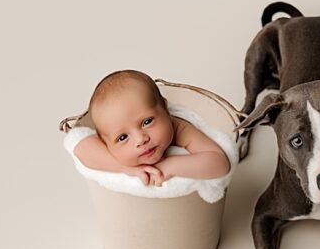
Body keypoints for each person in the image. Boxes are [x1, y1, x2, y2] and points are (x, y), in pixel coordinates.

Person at [73, 70, 230, 186]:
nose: (141, 139)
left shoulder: (179, 128)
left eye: (147, 122)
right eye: (122, 137)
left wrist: (167, 167)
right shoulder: (104, 146)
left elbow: (219, 163)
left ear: (165, 108)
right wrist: (126, 168)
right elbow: (80, 148)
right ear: (105, 143)